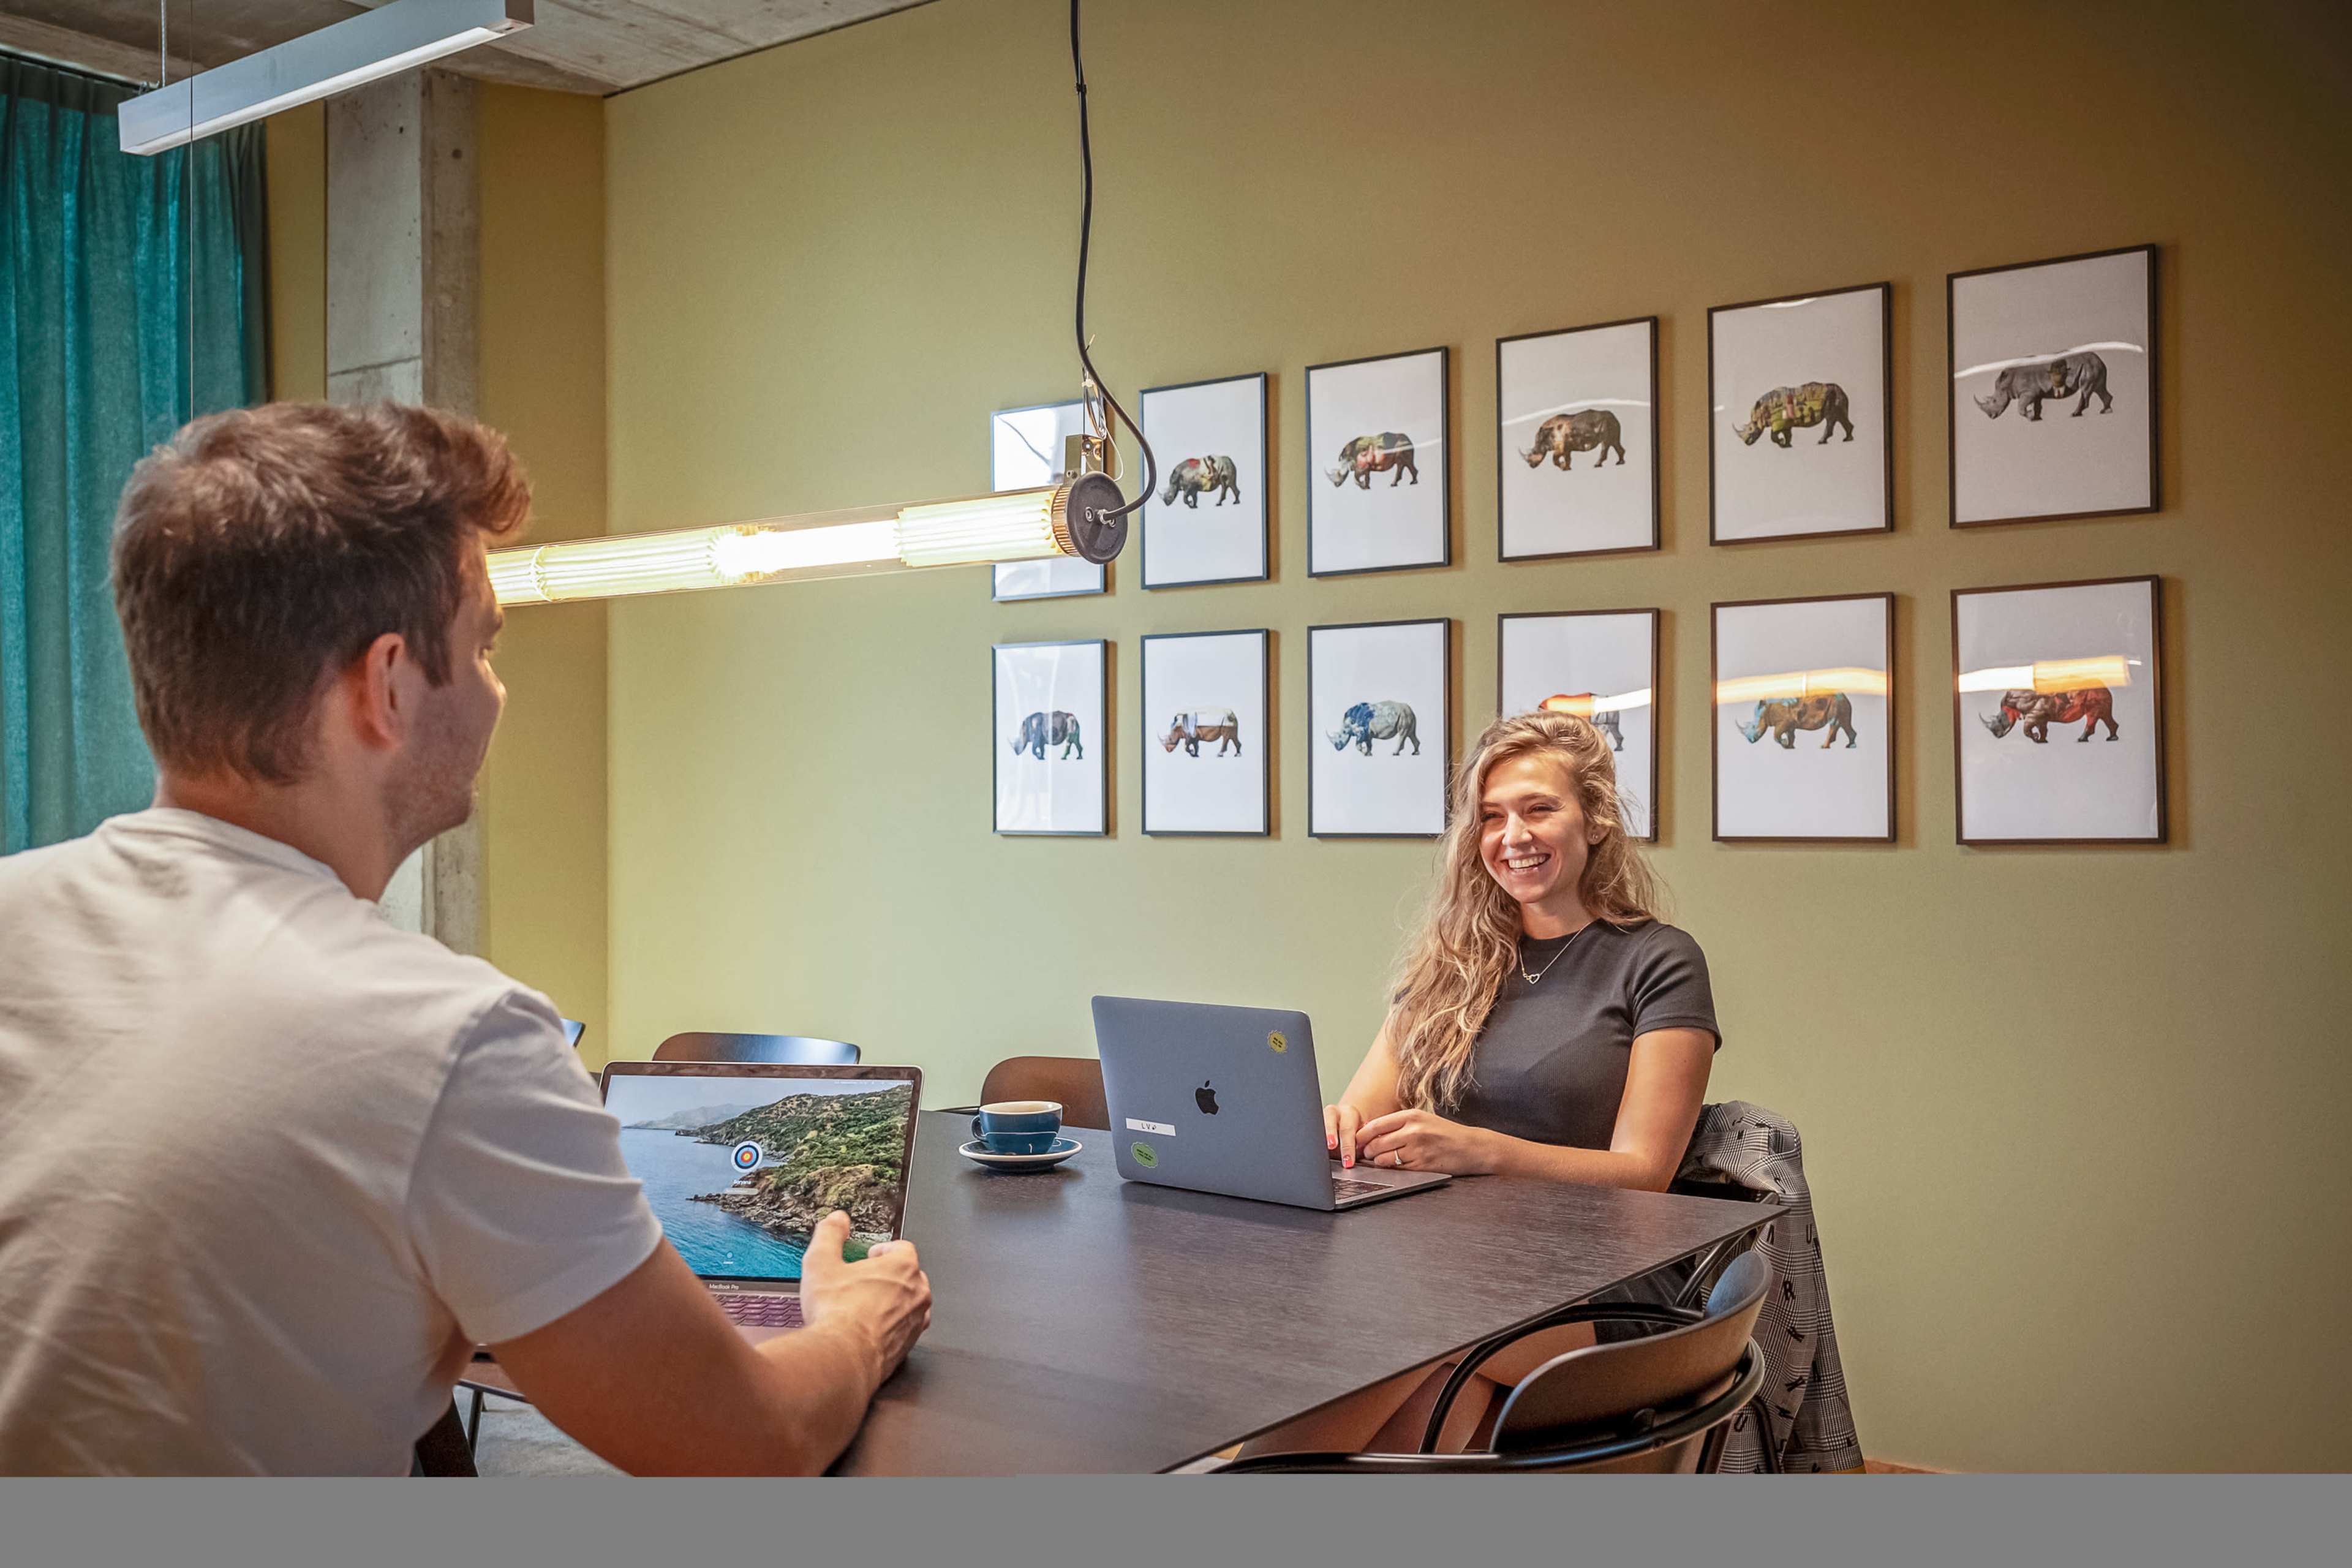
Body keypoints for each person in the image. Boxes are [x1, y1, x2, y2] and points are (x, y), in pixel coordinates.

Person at [0, 403, 930, 1475]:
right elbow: (745, 1445)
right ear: (387, 686)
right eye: (483, 646)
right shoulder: (448, 1040)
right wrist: (858, 1320)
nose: (495, 691)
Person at [1254, 710, 1719, 1456]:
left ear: (1595, 819)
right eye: (1492, 816)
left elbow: (1646, 1173)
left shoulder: (1658, 960)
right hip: (1456, 1269)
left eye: (1540, 808)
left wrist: (1481, 1150)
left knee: (1387, 1328)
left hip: (1601, 1284)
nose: (1515, 835)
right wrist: (1340, 1125)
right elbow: (1360, 1110)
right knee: (1440, 1382)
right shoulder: (1455, 960)